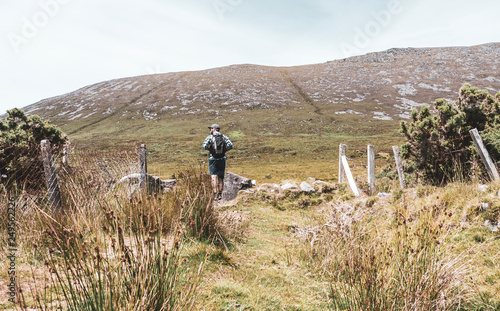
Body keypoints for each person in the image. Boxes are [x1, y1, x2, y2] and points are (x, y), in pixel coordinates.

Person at [202, 124, 234, 200]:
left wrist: (211, 150)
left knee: (213, 176)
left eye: (211, 129)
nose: (210, 130)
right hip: (222, 158)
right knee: (220, 177)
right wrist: (224, 151)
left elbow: (204, 146)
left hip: (212, 158)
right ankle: (220, 194)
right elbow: (231, 145)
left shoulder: (210, 137)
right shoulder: (224, 137)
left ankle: (214, 194)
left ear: (213, 129)